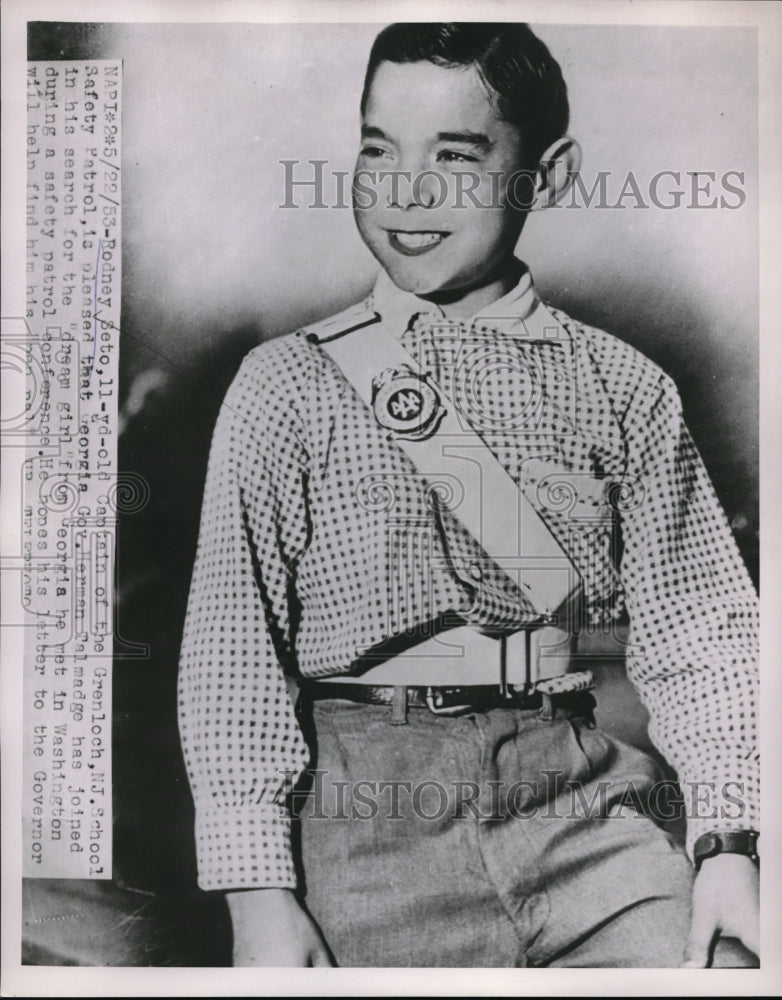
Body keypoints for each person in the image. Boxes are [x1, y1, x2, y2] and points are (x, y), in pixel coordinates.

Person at [177, 23, 759, 967]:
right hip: (363, 826)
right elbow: (231, 657)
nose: (406, 192)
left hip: (587, 812)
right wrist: (256, 893)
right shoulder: (286, 384)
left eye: (455, 156)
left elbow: (705, 635)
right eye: (378, 149)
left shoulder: (625, 385)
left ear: (549, 174)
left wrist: (731, 848)